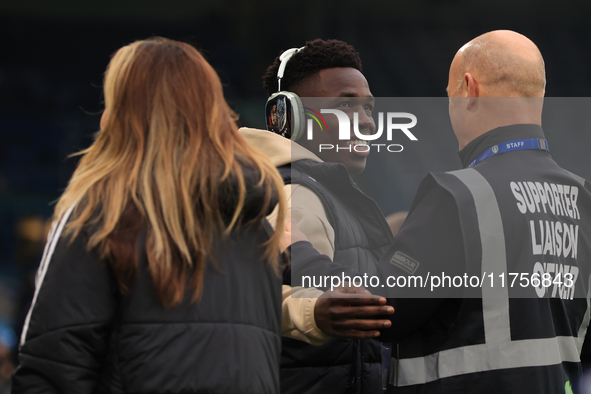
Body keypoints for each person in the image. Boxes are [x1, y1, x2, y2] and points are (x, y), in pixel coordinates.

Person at [12, 37, 289, 394]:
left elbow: (52, 368)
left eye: (111, 101)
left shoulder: (103, 214)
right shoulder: (257, 225)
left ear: (123, 114)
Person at [375, 30, 591, 393]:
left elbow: (381, 308)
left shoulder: (457, 194)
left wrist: (303, 254)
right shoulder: (582, 198)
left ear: (468, 88)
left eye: (449, 95)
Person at [240, 39, 394, 394]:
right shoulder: (299, 196)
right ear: (288, 118)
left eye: (369, 109)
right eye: (345, 105)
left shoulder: (322, 191)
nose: (367, 123)